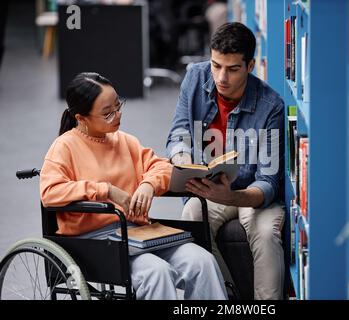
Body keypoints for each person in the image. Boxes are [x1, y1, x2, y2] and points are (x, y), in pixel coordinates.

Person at [40, 72, 227, 300]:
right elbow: (50, 192)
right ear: (82, 118)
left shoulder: (126, 141)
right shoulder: (64, 147)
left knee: (202, 261)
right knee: (156, 273)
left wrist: (148, 184)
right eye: (108, 113)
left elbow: (163, 167)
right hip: (95, 241)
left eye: (118, 106)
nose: (117, 116)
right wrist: (105, 190)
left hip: (139, 232)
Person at [166, 22, 285, 300]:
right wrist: (182, 158)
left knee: (266, 233)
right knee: (192, 216)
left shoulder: (272, 106)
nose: (221, 77)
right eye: (216, 65)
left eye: (232, 69)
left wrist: (231, 197)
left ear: (250, 66)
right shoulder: (195, 77)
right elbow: (179, 132)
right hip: (208, 189)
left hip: (249, 194)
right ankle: (224, 297)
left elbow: (267, 183)